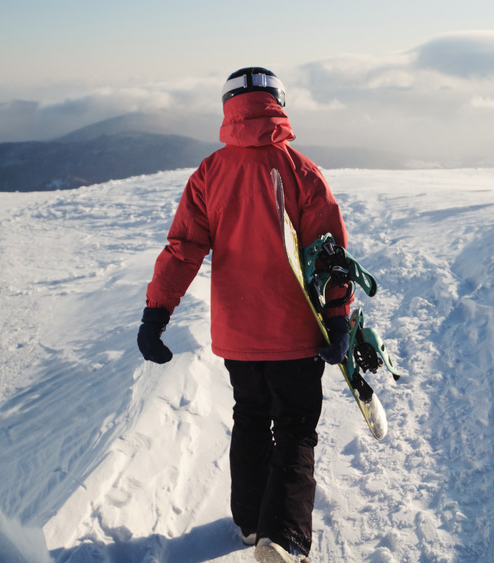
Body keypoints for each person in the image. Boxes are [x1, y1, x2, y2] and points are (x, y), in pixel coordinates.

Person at [137, 67, 352, 563]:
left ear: (229, 107)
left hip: (237, 335)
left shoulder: (209, 173)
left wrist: (156, 313)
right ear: (278, 102)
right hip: (295, 334)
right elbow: (329, 253)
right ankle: (285, 536)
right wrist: (338, 318)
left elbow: (183, 249)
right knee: (295, 426)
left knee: (251, 417)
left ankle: (251, 522)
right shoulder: (302, 172)